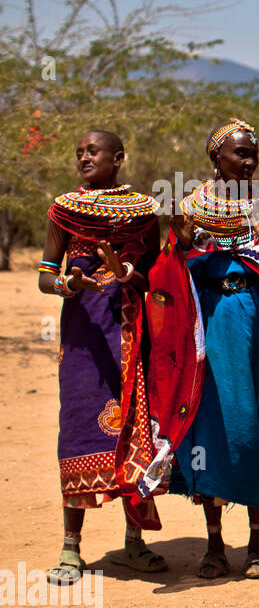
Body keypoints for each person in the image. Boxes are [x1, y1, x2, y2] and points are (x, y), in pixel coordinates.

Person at [40, 130, 167, 584]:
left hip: (132, 334)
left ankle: (135, 542)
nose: (84, 158)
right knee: (77, 429)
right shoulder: (64, 211)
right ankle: (71, 547)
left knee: (138, 432)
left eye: (93, 151)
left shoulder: (145, 213)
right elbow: (45, 276)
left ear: (119, 157)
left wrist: (129, 274)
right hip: (84, 339)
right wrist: (71, 284)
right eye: (79, 152)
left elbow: (155, 275)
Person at [170, 118, 259, 579]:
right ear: (215, 158)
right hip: (205, 322)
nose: (248, 162)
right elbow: (173, 271)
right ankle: (215, 544)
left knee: (254, 419)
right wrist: (180, 248)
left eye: (252, 155)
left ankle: (257, 540)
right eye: (239, 153)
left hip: (253, 319)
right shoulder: (190, 209)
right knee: (210, 425)